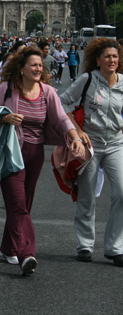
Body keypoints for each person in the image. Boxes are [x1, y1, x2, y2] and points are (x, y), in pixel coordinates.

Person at [0, 46, 84, 275]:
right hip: (10, 152)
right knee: (18, 203)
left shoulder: (47, 92)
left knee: (23, 204)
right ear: (21, 69)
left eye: (40, 65)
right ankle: (26, 253)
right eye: (33, 64)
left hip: (35, 153)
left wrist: (74, 136)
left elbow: (60, 118)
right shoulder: (6, 89)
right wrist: (4, 117)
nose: (38, 68)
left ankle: (7, 247)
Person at [60, 38, 123, 266]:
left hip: (116, 143)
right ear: (97, 60)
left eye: (115, 56)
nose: (111, 60)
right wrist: (76, 132)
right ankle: (85, 244)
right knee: (87, 195)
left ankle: (115, 247)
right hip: (91, 145)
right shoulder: (87, 80)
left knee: (122, 193)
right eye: (107, 56)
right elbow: (63, 102)